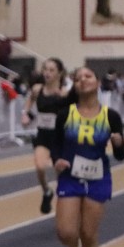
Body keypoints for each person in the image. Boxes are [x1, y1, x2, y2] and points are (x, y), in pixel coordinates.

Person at [51, 66, 124, 247]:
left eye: (88, 76)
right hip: (70, 176)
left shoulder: (110, 116)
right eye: (78, 78)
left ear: (98, 82)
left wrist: (118, 143)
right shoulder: (66, 114)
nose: (83, 80)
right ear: (74, 86)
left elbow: (121, 155)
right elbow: (55, 144)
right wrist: (57, 160)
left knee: (89, 234)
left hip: (98, 177)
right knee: (66, 232)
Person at [20, 58, 72, 214]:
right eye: (45, 69)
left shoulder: (64, 92)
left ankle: (64, 207)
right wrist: (25, 115)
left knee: (61, 174)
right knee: (40, 166)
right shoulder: (37, 89)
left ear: (59, 73)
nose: (47, 73)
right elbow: (29, 103)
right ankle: (47, 191)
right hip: (43, 135)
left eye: (51, 70)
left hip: (59, 137)